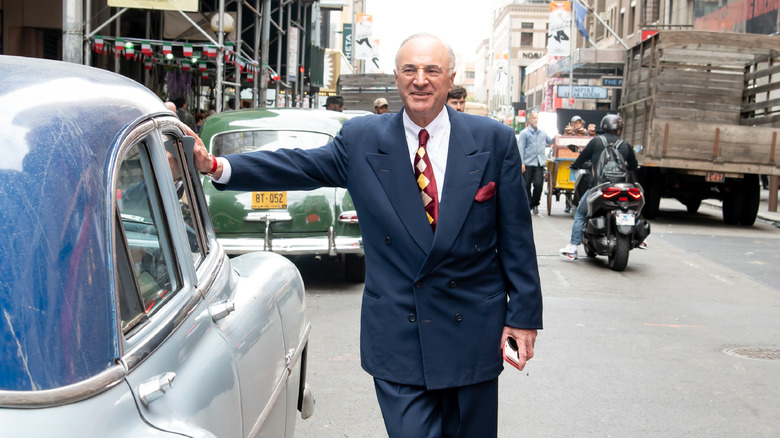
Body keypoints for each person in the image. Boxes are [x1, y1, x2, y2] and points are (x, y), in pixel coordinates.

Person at [191, 33, 542, 438]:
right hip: (399, 330)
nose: (420, 80)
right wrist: (216, 166)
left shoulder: (493, 140)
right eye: (410, 69)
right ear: (396, 78)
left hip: (473, 329)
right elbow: (298, 165)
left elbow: (516, 236)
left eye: (432, 70)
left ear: (451, 78)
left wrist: (523, 317)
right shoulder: (362, 140)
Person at [560, 114, 639, 259]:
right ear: (619, 130)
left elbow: (581, 159)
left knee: (580, 213)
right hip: (621, 188)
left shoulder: (596, 142)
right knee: (634, 209)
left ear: (603, 127)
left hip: (599, 187)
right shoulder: (625, 146)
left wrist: (575, 165)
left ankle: (573, 247)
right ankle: (639, 237)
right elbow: (633, 166)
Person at [517, 110, 553, 215]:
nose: (535, 120)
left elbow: (550, 141)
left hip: (539, 163)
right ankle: (528, 204)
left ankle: (535, 203)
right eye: (534, 118)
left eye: (537, 118)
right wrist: (521, 163)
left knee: (538, 185)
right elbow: (520, 149)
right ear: (530, 119)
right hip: (528, 163)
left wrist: (557, 137)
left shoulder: (542, 133)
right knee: (527, 185)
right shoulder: (524, 133)